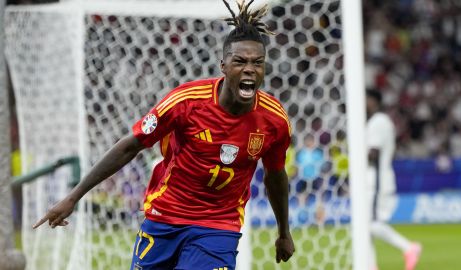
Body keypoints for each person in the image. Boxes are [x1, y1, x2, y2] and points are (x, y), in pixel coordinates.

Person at [32, 1, 295, 269]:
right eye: (240, 61)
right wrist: (73, 196)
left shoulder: (274, 120)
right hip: (165, 217)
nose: (250, 69)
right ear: (223, 66)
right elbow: (130, 146)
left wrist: (284, 232)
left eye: (257, 63)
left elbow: (275, 176)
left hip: (218, 226)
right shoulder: (186, 102)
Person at [366, 89, 421, 270]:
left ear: (373, 101)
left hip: (377, 180)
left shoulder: (378, 121)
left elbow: (373, 153)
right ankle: (370, 265)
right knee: (364, 227)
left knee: (371, 224)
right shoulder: (379, 122)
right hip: (373, 179)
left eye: (365, 100)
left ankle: (408, 247)